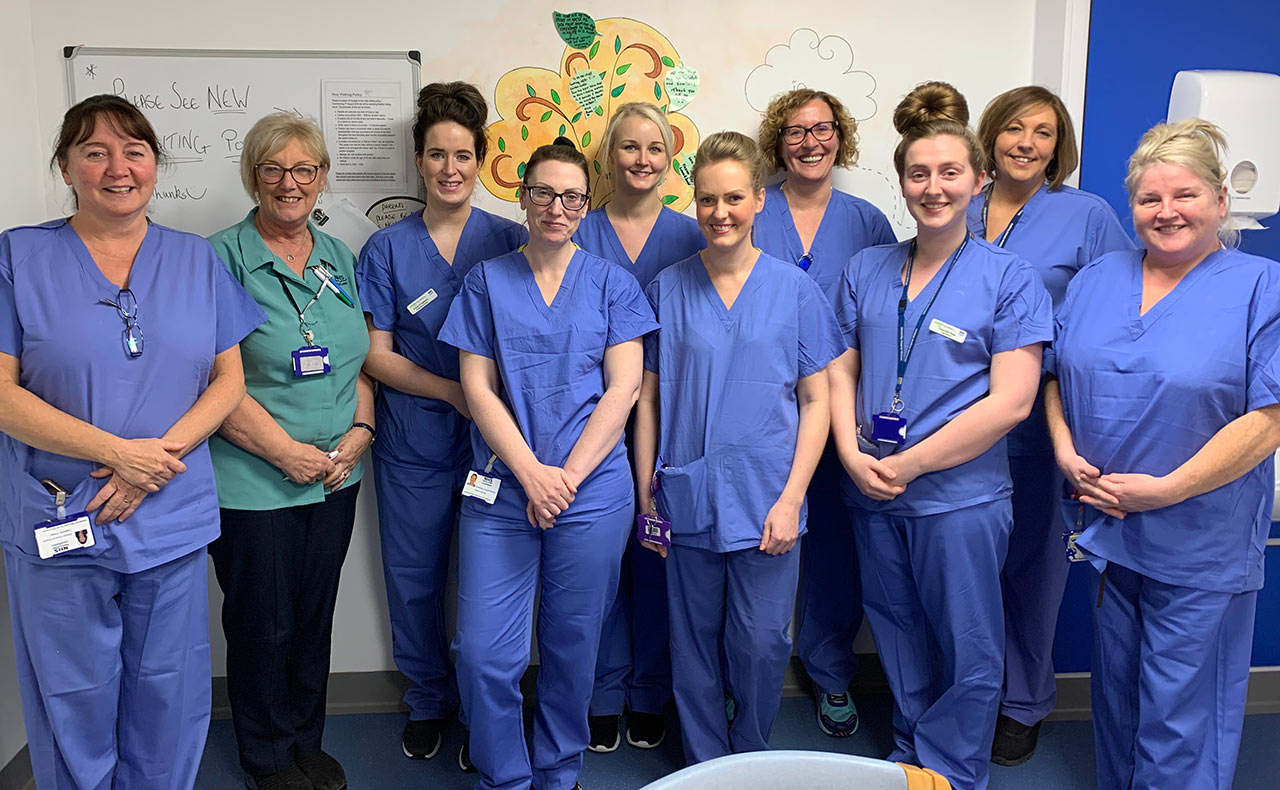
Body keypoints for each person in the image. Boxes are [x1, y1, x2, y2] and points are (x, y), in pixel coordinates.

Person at [0, 94, 264, 790]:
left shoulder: (196, 261)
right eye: (94, 151)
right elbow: (1, 394)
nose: (118, 168)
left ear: (154, 165)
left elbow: (228, 379)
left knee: (168, 697)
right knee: (73, 698)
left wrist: (152, 463)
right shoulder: (17, 258)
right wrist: (120, 455)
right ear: (65, 167)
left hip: (167, 516)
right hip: (60, 513)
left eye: (134, 151)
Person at [1044, 119, 1280, 790]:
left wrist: (1168, 490)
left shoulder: (1262, 288)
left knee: (1181, 715)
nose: (1166, 212)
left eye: (1186, 196)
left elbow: (1270, 419)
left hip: (1201, 542)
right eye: (1150, 200)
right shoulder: (1096, 279)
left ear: (1220, 202)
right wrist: (1062, 445)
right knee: (1117, 701)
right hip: (1114, 533)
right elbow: (1056, 373)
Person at [828, 82, 1051, 790]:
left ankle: (952, 770)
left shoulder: (1009, 278)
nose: (934, 187)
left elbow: (1012, 403)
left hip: (959, 498)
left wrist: (911, 464)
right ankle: (911, 757)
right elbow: (839, 371)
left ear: (979, 181)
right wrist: (848, 453)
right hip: (871, 488)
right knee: (894, 628)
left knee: (969, 643)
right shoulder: (866, 269)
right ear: (901, 183)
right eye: (919, 174)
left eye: (950, 172)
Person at [438, 138, 656, 790]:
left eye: (570, 196)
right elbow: (476, 389)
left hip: (591, 496)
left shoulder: (613, 285)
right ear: (523, 197)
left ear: (586, 205)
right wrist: (532, 474)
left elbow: (626, 388)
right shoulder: (486, 281)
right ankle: (504, 776)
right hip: (503, 490)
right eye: (543, 193)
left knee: (572, 647)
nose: (555, 207)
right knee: (482, 653)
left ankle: (558, 774)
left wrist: (565, 479)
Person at [635, 131, 843, 765]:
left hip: (768, 497)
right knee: (692, 642)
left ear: (759, 200)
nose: (718, 212)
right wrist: (649, 492)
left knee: (760, 643)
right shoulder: (667, 289)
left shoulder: (795, 290)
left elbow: (818, 401)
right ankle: (704, 763)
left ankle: (750, 755)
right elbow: (647, 400)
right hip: (687, 492)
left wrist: (792, 497)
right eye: (705, 200)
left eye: (732, 198)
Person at [356, 81, 526, 764]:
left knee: (490, 585)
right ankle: (429, 698)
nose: (450, 168)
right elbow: (376, 355)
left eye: (463, 154)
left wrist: (483, 406)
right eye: (436, 155)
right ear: (418, 162)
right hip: (415, 441)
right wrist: (456, 393)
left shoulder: (513, 240)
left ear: (481, 159)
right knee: (415, 575)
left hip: (497, 448)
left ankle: (487, 706)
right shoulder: (387, 251)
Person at [967, 86, 1134, 765]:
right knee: (965, 563)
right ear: (992, 136)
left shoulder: (1085, 215)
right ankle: (970, 692)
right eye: (1014, 128)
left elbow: (1121, 303)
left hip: (1040, 417)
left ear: (1058, 146)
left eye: (1043, 131)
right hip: (956, 417)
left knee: (1034, 563)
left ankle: (1023, 702)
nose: (1027, 142)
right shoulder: (962, 203)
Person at [207, 112, 374, 790]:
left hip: (336, 476)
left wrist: (362, 434)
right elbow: (214, 378)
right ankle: (269, 758)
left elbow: (358, 362)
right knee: (263, 627)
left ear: (321, 178)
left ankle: (307, 740)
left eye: (304, 169)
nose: (289, 182)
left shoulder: (340, 257)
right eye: (273, 169)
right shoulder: (220, 258)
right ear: (254, 177)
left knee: (312, 619)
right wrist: (285, 454)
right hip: (254, 481)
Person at [754, 88, 897, 738]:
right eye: (796, 131)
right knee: (754, 541)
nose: (811, 142)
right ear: (777, 142)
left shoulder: (866, 222)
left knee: (837, 549)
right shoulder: (753, 211)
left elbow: (890, 322)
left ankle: (830, 671)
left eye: (823, 128)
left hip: (841, 411)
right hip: (758, 413)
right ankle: (744, 672)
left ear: (840, 136)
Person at [575, 101, 704, 754]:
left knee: (655, 562)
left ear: (670, 158)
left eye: (655, 148)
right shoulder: (576, 230)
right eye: (629, 147)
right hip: (586, 426)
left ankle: (649, 689)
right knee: (594, 568)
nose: (642, 160)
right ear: (607, 156)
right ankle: (600, 691)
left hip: (670, 423)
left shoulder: (693, 235)